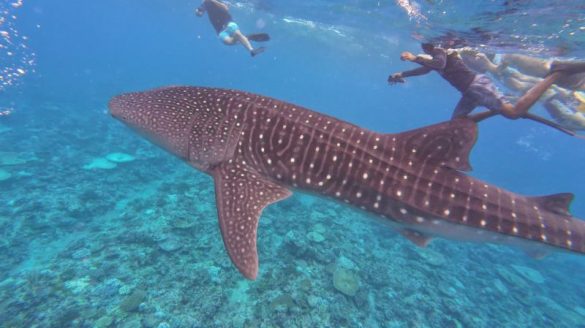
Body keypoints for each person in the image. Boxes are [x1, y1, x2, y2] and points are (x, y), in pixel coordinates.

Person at [387, 43, 585, 136]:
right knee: (457, 123)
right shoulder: (434, 55)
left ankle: (556, 73)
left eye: (423, 43)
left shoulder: (440, 51)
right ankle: (496, 109)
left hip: (476, 86)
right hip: (470, 92)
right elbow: (425, 70)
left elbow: (438, 64)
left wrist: (414, 57)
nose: (421, 45)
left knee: (514, 113)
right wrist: (402, 74)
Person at [195, 0, 269, 57]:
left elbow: (226, 8)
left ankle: (252, 51)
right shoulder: (205, 3)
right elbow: (199, 13)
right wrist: (198, 12)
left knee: (237, 33)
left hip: (228, 22)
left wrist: (213, 0)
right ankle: (248, 38)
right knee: (229, 42)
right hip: (219, 29)